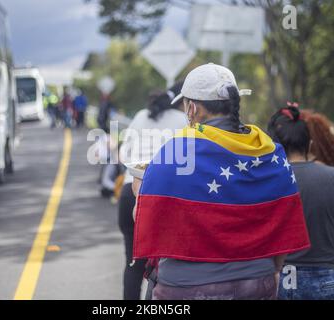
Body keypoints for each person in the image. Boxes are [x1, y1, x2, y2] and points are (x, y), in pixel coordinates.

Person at [132, 63, 311, 300]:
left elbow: (144, 217)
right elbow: (283, 218)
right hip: (256, 283)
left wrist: (138, 193)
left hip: (184, 287)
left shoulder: (175, 152)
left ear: (192, 108)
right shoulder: (268, 151)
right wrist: (273, 272)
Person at [267, 106, 334, 300]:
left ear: (272, 146)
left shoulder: (264, 181)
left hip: (278, 282)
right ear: (310, 145)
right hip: (324, 282)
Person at [118, 82, 188, 300]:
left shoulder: (140, 116)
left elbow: (123, 155)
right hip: (160, 197)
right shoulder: (182, 121)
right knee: (163, 268)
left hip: (130, 191)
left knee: (133, 264)